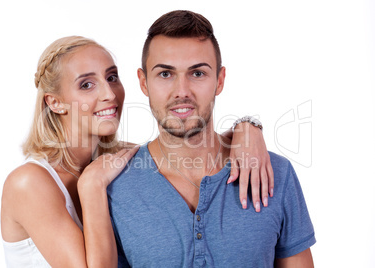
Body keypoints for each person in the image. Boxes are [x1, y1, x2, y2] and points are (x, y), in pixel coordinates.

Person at [0, 36, 272, 267]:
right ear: (55, 102)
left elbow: (192, 145)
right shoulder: (29, 183)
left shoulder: (117, 161)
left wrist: (247, 128)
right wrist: (92, 187)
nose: (109, 93)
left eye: (112, 77)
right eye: (87, 84)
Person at [107, 10, 316, 267]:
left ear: (219, 80)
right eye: (165, 74)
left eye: (197, 74)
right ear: (143, 83)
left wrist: (249, 125)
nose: (181, 91)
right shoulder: (115, 186)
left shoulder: (275, 174)